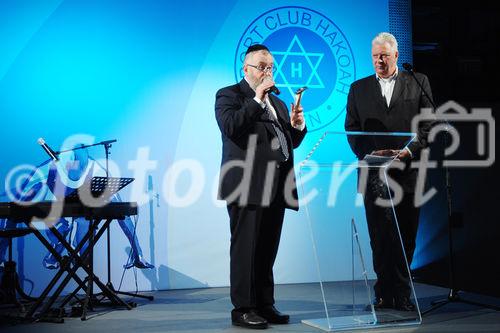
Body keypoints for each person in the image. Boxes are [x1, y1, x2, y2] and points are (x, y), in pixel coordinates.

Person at [215, 44, 307, 329]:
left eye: (270, 67)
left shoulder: (277, 104)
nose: (267, 72)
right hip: (246, 185)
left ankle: (265, 304)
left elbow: (286, 143)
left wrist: (297, 127)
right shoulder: (229, 95)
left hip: (276, 186)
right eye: (261, 66)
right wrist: (256, 98)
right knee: (245, 249)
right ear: (246, 69)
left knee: (267, 249)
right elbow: (232, 127)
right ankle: (242, 308)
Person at [345, 32, 433, 311]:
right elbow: (351, 128)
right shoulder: (358, 88)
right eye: (374, 56)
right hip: (374, 173)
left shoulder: (417, 82)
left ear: (396, 55)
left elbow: (428, 126)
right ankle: (383, 293)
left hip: (408, 171)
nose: (379, 61)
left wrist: (407, 152)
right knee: (380, 236)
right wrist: (370, 155)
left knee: (406, 235)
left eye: (384, 55)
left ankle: (403, 294)